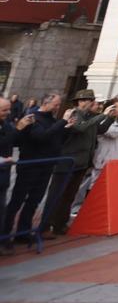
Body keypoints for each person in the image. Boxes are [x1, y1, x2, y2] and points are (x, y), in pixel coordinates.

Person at [44, 90, 114, 237]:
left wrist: (110, 118)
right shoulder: (74, 114)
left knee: (70, 195)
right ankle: (45, 225)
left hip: (81, 162)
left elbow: (99, 130)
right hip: (67, 162)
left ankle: (60, 224)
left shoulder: (91, 117)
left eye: (91, 100)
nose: (91, 103)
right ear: (80, 102)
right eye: (88, 100)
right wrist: (103, 115)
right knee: (57, 195)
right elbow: (81, 128)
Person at [3, 93, 66, 246]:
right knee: (17, 201)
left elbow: (55, 138)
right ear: (47, 102)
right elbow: (41, 137)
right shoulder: (33, 117)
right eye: (56, 104)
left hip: (46, 166)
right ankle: (5, 234)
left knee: (34, 201)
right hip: (30, 166)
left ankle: (23, 232)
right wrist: (62, 123)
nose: (58, 107)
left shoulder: (52, 119)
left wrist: (65, 127)